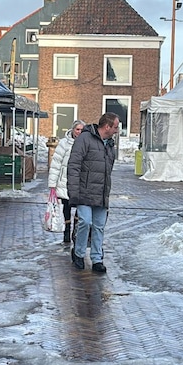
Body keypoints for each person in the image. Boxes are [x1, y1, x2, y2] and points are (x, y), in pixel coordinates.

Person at [67, 112, 120, 273]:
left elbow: (107, 170)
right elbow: (74, 165)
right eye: (115, 127)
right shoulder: (85, 139)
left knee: (99, 226)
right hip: (84, 191)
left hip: (101, 192)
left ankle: (97, 258)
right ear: (107, 126)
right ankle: (79, 253)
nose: (117, 131)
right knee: (85, 222)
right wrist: (73, 192)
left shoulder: (110, 144)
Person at [47, 120, 86, 244]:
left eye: (81, 130)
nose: (79, 132)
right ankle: (67, 230)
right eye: (77, 129)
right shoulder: (64, 143)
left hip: (80, 182)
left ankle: (76, 230)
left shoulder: (86, 143)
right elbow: (56, 163)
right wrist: (53, 184)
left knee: (80, 208)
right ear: (73, 130)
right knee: (67, 207)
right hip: (65, 181)